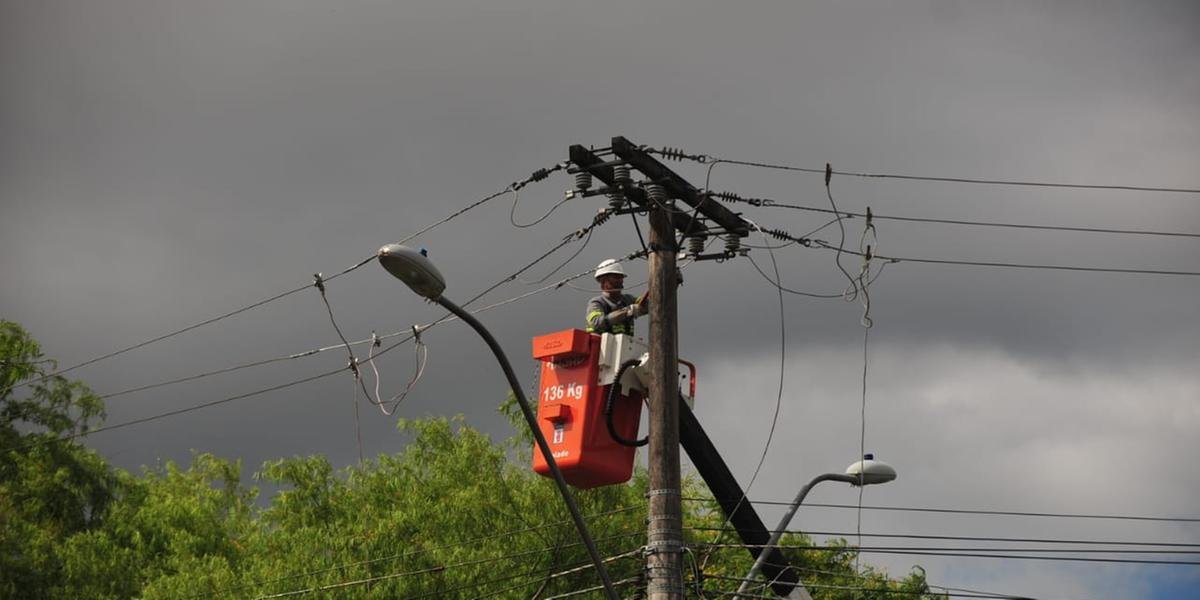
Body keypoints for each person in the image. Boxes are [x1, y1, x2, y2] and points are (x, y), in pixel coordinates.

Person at [585, 259, 648, 335]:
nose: (620, 281)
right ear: (603, 281)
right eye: (615, 277)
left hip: (625, 345)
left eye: (620, 277)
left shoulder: (628, 299)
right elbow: (596, 323)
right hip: (602, 345)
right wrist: (628, 311)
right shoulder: (597, 303)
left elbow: (649, 304)